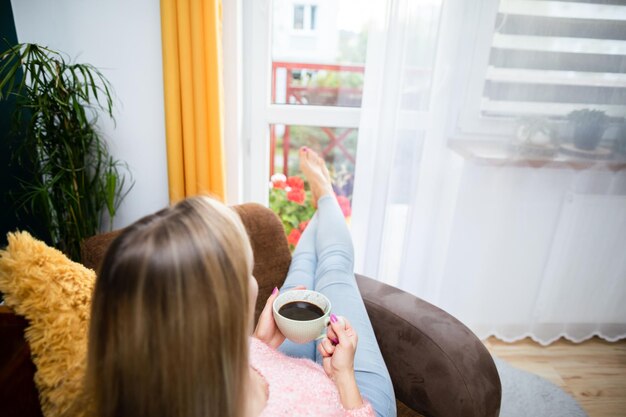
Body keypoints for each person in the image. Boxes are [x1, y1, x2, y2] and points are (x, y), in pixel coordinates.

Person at [85, 147, 396, 417]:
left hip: (275, 365)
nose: (253, 279)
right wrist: (345, 380)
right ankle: (326, 196)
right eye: (247, 270)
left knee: (302, 269)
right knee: (334, 266)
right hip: (346, 395)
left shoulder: (161, 389)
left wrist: (255, 347)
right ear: (221, 314)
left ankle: (323, 199)